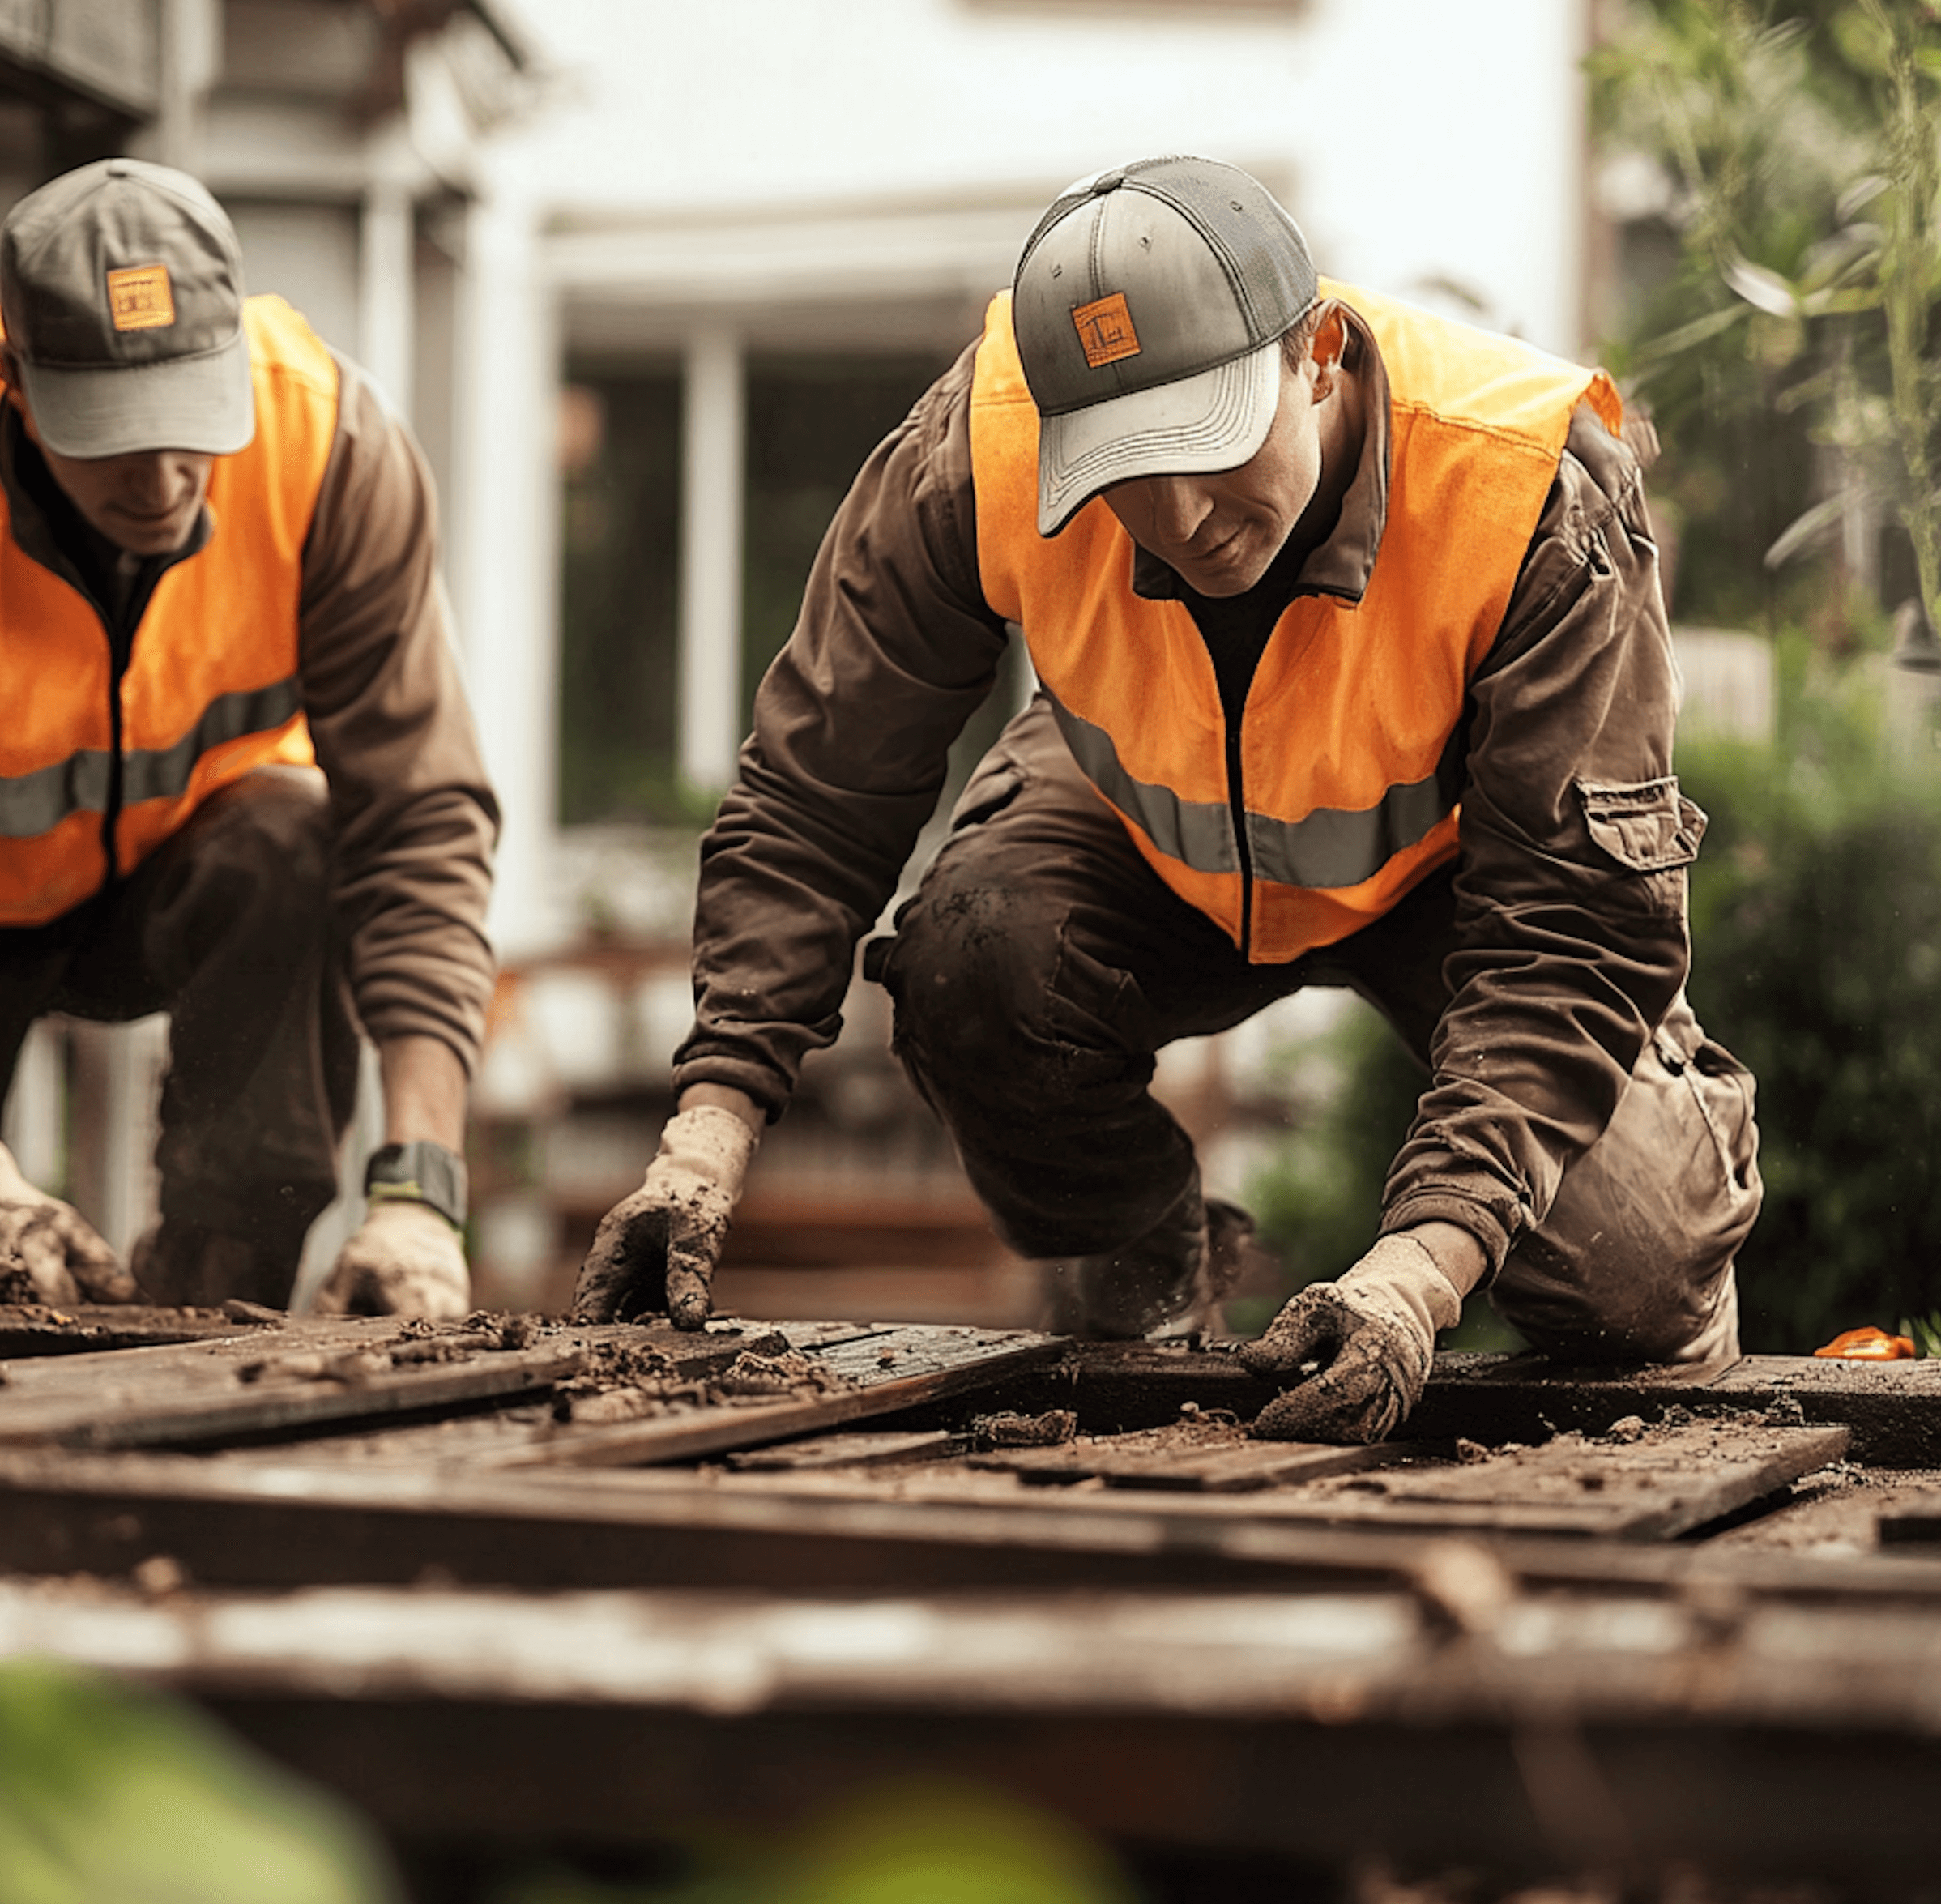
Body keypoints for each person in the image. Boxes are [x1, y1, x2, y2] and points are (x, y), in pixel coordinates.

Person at [574, 154, 1760, 1443]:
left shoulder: (1531, 487)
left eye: (1208, 444)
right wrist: (701, 1146)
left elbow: (1574, 929)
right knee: (977, 961)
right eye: (1130, 471)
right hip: (1140, 806)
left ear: (1315, 354)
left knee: (1627, 1263)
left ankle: (1661, 1273)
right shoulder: (981, 449)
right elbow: (818, 794)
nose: (1185, 518)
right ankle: (1143, 1278)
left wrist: (1422, 1269)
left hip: (1452, 862)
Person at [0, 158, 497, 1319]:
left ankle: (214, 1312)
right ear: (13, 380)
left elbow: (419, 823)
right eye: (118, 435)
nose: (166, 477)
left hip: (196, 875)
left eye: (194, 423)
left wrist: (424, 1191)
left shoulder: (334, 450)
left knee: (297, 838)